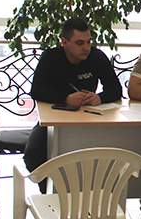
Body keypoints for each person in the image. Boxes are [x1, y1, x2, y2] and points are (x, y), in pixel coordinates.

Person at [24, 18, 122, 191]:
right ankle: (50, 191)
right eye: (79, 43)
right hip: (53, 121)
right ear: (64, 42)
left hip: (90, 120)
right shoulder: (51, 58)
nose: (86, 47)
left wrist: (99, 98)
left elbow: (116, 89)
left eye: (89, 42)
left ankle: (94, 193)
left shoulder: (96, 57)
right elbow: (36, 91)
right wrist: (66, 98)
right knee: (33, 153)